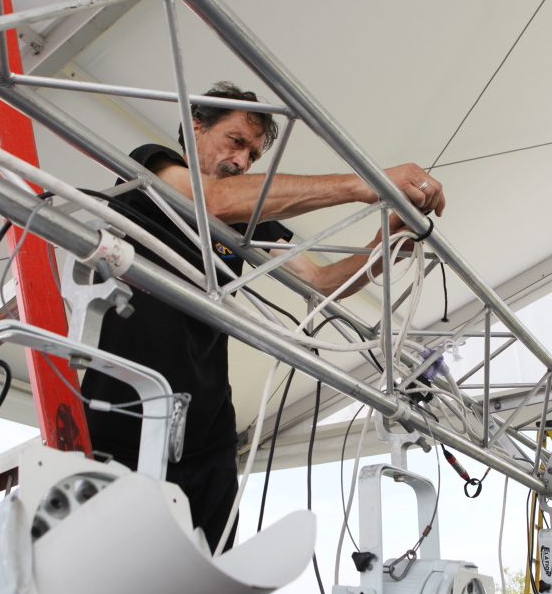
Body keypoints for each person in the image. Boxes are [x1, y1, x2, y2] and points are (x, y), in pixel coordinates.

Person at [81, 81, 445, 554]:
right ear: (195, 127)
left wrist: (389, 246)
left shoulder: (252, 222)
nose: (242, 161)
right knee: (114, 571)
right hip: (123, 412)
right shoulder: (152, 167)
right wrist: (361, 184)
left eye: (253, 156)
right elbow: (210, 201)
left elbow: (321, 282)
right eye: (236, 142)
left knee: (215, 581)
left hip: (205, 427)